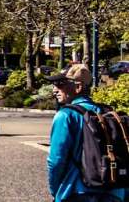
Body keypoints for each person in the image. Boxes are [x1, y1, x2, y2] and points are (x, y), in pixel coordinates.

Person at [47, 64, 126, 202]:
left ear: (78, 87)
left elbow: (56, 161)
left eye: (60, 84)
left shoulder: (66, 116)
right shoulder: (108, 113)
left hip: (77, 191)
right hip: (114, 190)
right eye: (54, 84)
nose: (55, 89)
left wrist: (55, 191)